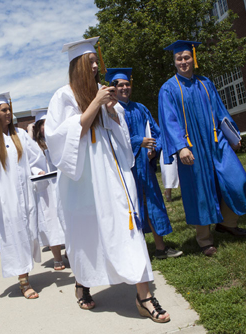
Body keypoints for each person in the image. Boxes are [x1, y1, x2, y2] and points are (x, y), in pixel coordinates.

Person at [44, 37, 170, 322]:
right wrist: (94, 105)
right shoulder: (63, 96)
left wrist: (112, 111)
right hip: (81, 181)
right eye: (90, 63)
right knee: (86, 233)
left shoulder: (103, 93)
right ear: (77, 66)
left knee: (128, 230)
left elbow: (121, 134)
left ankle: (144, 295)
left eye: (96, 62)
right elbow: (58, 139)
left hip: (111, 175)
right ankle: (83, 282)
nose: (96, 67)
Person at [158, 40, 246, 256]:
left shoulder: (205, 83)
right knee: (199, 191)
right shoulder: (168, 89)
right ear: (174, 62)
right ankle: (204, 239)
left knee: (236, 179)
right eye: (179, 58)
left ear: (193, 58)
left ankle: (227, 223)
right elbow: (169, 121)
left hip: (215, 141)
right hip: (191, 147)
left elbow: (221, 111)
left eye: (186, 57)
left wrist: (232, 135)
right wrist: (181, 147)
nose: (183, 61)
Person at [106, 68, 182, 260]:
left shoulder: (141, 108)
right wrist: (139, 140)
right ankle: (134, 252)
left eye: (126, 84)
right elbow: (112, 141)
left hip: (145, 167)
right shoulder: (110, 111)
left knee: (153, 204)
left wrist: (154, 149)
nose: (124, 88)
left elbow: (156, 132)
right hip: (125, 169)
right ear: (112, 88)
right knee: (131, 208)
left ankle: (160, 248)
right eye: (119, 85)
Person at [0, 92, 43, 299]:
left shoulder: (19, 134)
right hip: (6, 199)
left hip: (26, 194)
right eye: (4, 110)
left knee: (29, 233)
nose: (9, 113)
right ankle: (24, 282)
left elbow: (34, 157)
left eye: (9, 109)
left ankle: (25, 274)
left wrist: (38, 171)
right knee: (15, 236)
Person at [30, 108, 66, 270]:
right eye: (42, 124)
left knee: (66, 220)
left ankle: (71, 253)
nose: (46, 127)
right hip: (46, 188)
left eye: (48, 123)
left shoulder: (58, 141)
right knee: (52, 222)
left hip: (62, 184)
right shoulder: (35, 145)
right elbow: (30, 163)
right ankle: (57, 258)